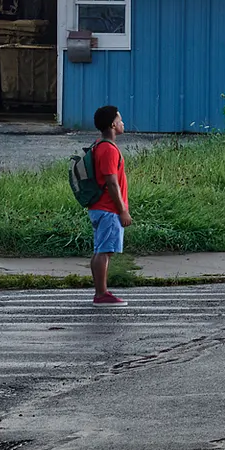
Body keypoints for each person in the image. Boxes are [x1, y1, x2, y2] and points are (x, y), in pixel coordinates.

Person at [85, 104, 133, 305]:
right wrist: (122, 211)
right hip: (108, 209)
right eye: (120, 119)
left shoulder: (100, 145)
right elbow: (112, 182)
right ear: (113, 124)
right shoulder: (108, 149)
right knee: (104, 251)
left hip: (101, 208)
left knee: (102, 250)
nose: (122, 123)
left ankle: (101, 291)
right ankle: (101, 294)